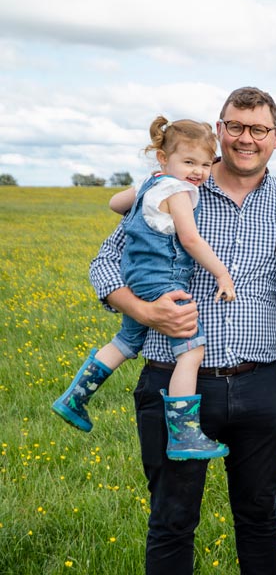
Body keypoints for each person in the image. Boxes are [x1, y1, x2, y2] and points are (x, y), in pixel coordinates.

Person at [87, 87, 276, 574]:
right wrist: (145, 314)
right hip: (174, 379)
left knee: (260, 517)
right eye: (235, 127)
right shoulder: (174, 185)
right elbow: (104, 265)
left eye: (258, 129)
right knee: (172, 519)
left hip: (260, 385)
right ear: (219, 129)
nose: (246, 139)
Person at [53, 116, 234, 461]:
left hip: (136, 279)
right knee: (192, 350)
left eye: (206, 163)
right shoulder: (179, 191)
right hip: (163, 280)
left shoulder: (152, 183)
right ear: (164, 159)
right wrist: (222, 275)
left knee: (125, 341)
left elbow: (115, 204)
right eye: (189, 162)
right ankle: (184, 433)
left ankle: (75, 398)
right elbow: (191, 239)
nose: (198, 171)